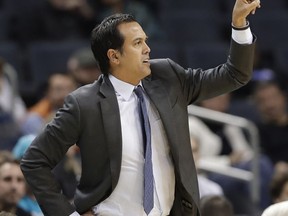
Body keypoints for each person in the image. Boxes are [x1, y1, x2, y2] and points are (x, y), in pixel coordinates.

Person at [20, 0, 261, 215]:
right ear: (114, 56)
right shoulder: (84, 104)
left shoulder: (167, 78)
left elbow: (234, 75)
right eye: (137, 43)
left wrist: (239, 24)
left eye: (145, 40)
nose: (148, 48)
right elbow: (34, 160)